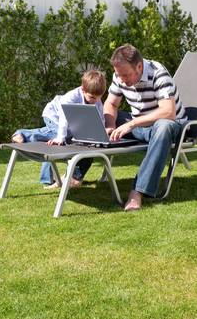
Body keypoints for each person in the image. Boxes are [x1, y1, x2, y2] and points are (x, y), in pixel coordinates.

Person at [104, 44, 186, 212]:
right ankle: (76, 175)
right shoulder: (119, 75)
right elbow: (111, 103)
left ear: (139, 66)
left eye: (125, 75)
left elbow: (168, 112)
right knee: (99, 116)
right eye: (118, 75)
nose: (121, 80)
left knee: (163, 126)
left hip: (170, 126)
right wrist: (110, 126)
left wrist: (132, 123)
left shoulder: (158, 74)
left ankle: (138, 192)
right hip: (141, 125)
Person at [11, 70, 107, 188]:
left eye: (98, 98)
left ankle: (54, 179)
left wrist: (101, 134)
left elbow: (100, 119)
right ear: (83, 90)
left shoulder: (97, 101)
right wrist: (60, 138)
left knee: (55, 142)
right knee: (56, 136)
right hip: (54, 115)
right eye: (92, 97)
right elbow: (63, 118)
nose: (95, 100)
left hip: (71, 122)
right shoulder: (71, 97)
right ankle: (23, 134)